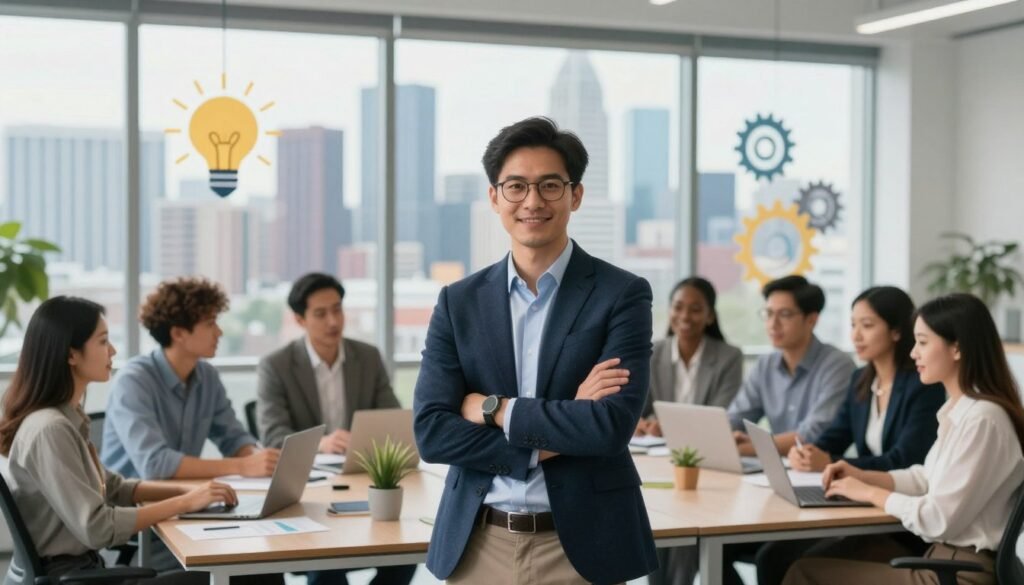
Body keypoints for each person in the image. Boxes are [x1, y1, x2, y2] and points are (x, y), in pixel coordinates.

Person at [413, 116, 657, 585]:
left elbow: (608, 427)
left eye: (549, 185)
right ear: (494, 197)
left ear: (575, 195)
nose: (533, 201)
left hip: (582, 548)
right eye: (516, 187)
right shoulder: (458, 301)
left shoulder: (622, 294)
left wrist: (494, 409)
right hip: (477, 543)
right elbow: (432, 433)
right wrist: (560, 427)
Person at [783, 293, 1024, 585]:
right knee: (802, 559)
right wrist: (862, 476)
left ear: (957, 348)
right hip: (941, 559)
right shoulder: (961, 411)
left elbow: (936, 519)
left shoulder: (983, 419)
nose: (913, 353)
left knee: (803, 572)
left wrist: (871, 493)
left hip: (958, 572)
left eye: (922, 342)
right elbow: (925, 478)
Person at [0, 296, 236, 585]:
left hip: (80, 572)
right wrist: (185, 502)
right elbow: (98, 527)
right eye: (102, 342)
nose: (112, 350)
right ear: (71, 354)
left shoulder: (67, 418)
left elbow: (112, 487)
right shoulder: (50, 429)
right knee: (241, 577)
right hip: (72, 578)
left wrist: (190, 490)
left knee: (242, 574)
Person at [752, 286, 946, 585]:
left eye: (867, 326)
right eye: (853, 324)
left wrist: (830, 460)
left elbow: (905, 459)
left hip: (901, 522)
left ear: (896, 331)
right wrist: (806, 452)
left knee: (785, 560)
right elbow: (834, 436)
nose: (856, 335)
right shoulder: (861, 379)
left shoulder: (923, 386)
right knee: (771, 555)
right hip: (867, 508)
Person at [101, 277, 282, 584]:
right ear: (179, 333)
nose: (219, 331)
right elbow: (156, 465)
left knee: (263, 565)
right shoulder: (134, 381)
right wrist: (242, 466)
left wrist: (257, 458)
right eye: (210, 323)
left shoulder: (206, 376)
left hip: (187, 509)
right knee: (250, 573)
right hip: (141, 525)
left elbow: (232, 436)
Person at [257, 273, 414, 585]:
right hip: (310, 490)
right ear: (300, 320)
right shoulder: (276, 365)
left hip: (361, 478)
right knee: (326, 566)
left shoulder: (367, 358)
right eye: (320, 313)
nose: (333, 321)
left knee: (407, 550)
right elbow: (272, 436)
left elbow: (393, 420)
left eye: (338, 309)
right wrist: (322, 443)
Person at [728, 275, 855, 456]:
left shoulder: (837, 365)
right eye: (769, 313)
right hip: (775, 467)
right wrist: (729, 437)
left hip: (818, 471)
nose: (773, 324)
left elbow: (813, 434)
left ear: (811, 320)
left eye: (785, 314)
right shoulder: (765, 365)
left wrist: (752, 447)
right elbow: (736, 417)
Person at [637, 276, 743, 437]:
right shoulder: (651, 353)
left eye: (695, 310)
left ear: (710, 316)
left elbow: (721, 418)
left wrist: (667, 427)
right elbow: (638, 409)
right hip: (655, 448)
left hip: (706, 447)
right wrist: (642, 423)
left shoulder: (729, 357)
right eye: (678, 307)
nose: (685, 316)